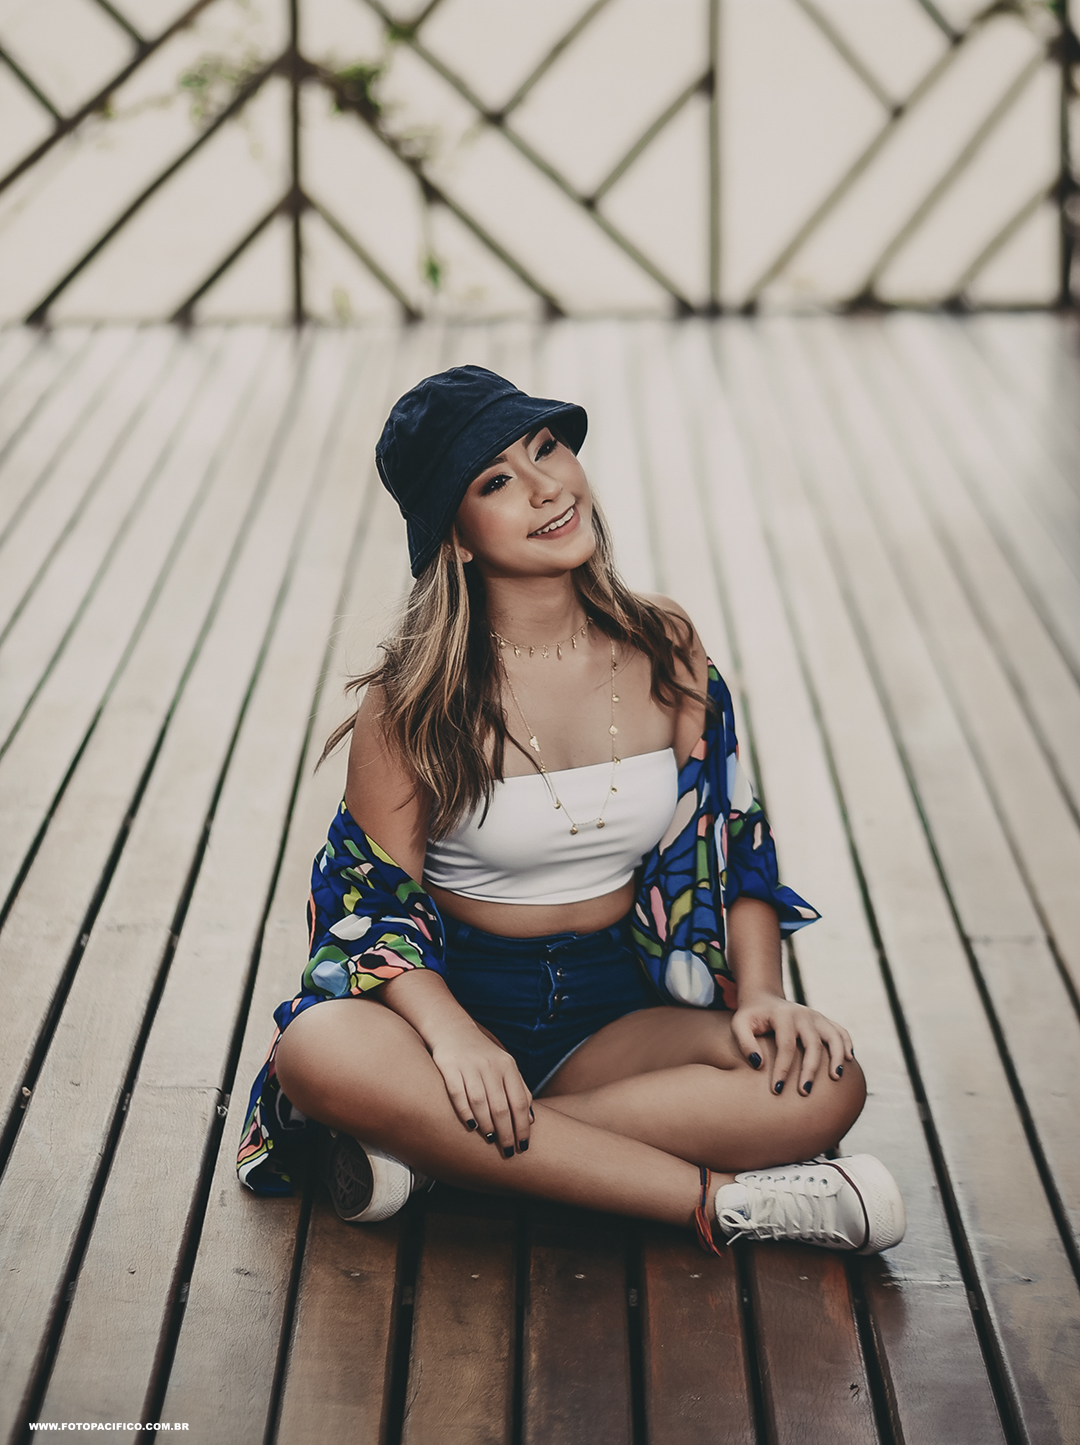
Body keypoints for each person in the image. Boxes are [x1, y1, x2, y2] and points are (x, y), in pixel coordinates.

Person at [236, 366, 905, 1255]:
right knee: (317, 1050)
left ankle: (438, 1153)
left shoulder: (665, 643)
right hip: (455, 996)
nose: (546, 485)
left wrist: (764, 995)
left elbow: (732, 835)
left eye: (546, 447)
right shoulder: (410, 701)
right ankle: (722, 1203)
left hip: (611, 1006)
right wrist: (456, 1038)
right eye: (497, 480)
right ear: (455, 538)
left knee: (827, 1078)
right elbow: (372, 908)